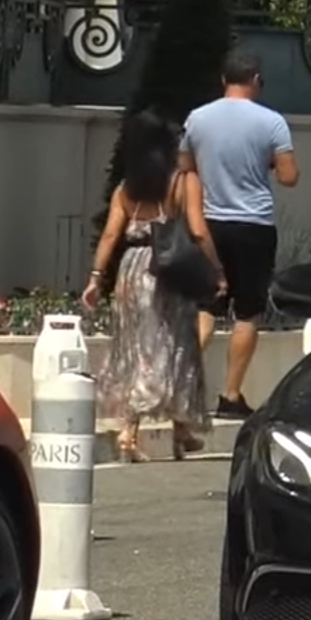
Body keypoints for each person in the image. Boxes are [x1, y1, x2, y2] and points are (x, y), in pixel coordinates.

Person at [86, 111, 217, 462]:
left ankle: (140, 429)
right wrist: (215, 269)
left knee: (135, 350)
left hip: (131, 271)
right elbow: (199, 230)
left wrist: (96, 278)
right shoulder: (182, 182)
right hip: (167, 271)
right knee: (175, 347)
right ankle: (175, 430)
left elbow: (112, 235)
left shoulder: (127, 188)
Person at [180, 49, 298, 419]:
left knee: (205, 308)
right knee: (248, 312)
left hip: (210, 224)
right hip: (254, 226)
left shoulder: (197, 118)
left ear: (223, 81)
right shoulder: (272, 122)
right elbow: (289, 176)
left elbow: (186, 166)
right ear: (257, 79)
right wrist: (265, 163)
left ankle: (182, 388)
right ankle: (230, 395)